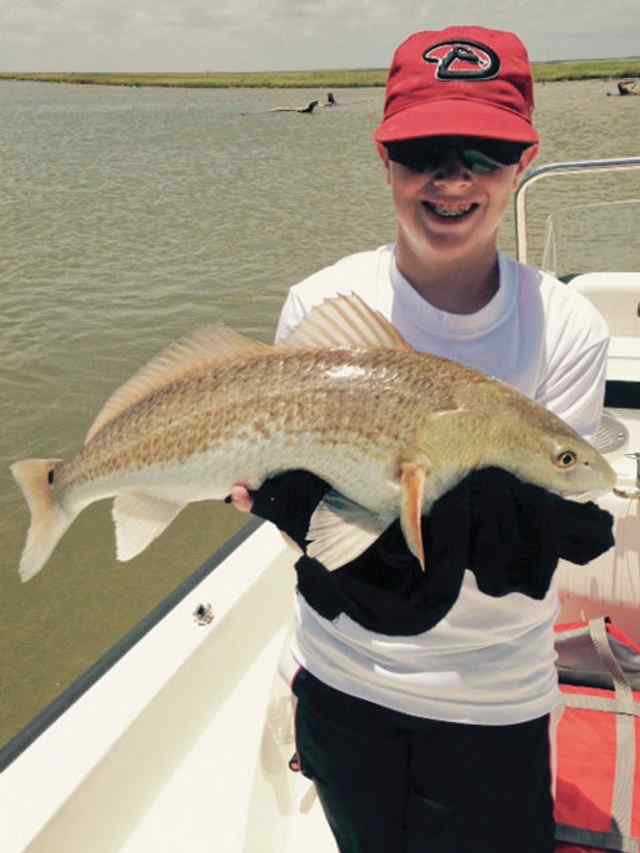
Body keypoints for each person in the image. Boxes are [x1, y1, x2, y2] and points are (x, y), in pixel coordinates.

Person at [230, 25, 611, 853]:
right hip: (340, 677)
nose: (451, 179)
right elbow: (295, 484)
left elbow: (558, 496)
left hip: (492, 702)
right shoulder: (320, 300)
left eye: (486, 153)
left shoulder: (567, 326)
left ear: (525, 162)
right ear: (385, 159)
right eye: (423, 150)